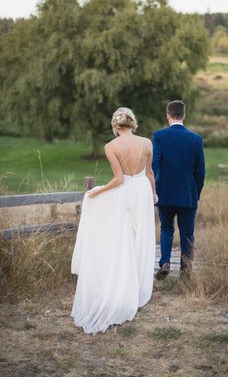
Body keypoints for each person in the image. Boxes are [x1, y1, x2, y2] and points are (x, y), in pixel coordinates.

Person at [71, 107, 157, 334]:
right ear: (133, 123)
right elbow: (149, 174)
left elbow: (119, 179)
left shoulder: (111, 146)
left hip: (125, 192)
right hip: (143, 193)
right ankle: (136, 286)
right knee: (140, 238)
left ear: (115, 126)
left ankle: (123, 285)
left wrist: (97, 192)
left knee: (123, 237)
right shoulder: (147, 143)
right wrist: (154, 193)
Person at [152, 100, 205, 280]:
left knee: (166, 229)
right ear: (184, 115)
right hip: (187, 194)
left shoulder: (158, 136)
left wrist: (154, 191)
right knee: (187, 234)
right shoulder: (196, 139)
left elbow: (154, 165)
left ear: (168, 116)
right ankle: (186, 273)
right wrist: (195, 193)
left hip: (164, 193)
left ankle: (165, 262)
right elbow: (201, 172)